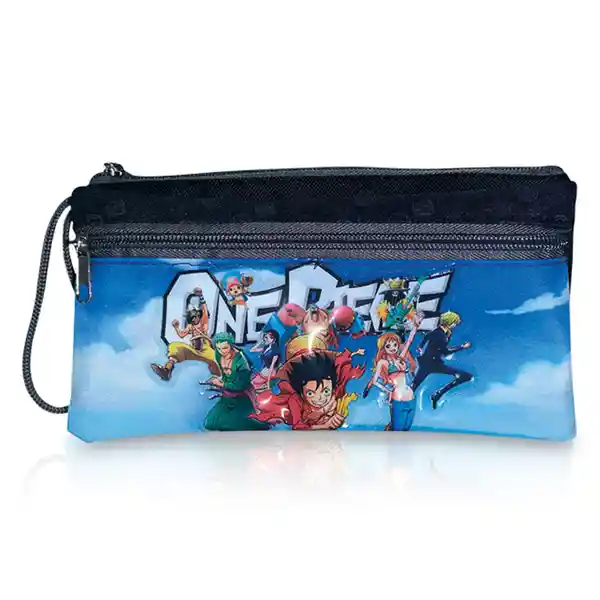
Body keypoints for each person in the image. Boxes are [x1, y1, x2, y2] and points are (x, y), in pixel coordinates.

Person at [250, 335, 366, 430]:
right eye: (310, 393)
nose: (320, 398)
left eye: (326, 391)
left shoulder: (336, 392)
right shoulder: (295, 401)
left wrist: (338, 419)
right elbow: (298, 426)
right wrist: (325, 426)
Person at [202, 332, 270, 431]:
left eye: (225, 348)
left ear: (231, 345)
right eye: (219, 348)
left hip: (242, 398)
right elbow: (224, 375)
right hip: (227, 397)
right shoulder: (218, 354)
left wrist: (221, 384)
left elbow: (240, 385)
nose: (222, 351)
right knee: (210, 423)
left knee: (232, 424)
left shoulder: (242, 362)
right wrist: (216, 379)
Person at [151, 288, 219, 380]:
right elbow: (182, 335)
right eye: (192, 318)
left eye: (195, 317)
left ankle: (224, 378)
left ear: (198, 315)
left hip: (206, 350)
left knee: (217, 362)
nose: (194, 319)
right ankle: (167, 371)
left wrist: (201, 297)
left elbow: (205, 311)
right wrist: (176, 327)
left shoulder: (203, 323)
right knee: (174, 346)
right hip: (193, 350)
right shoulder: (190, 326)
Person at [411, 311, 473, 409]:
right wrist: (462, 347)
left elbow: (427, 336)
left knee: (413, 386)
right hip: (430, 364)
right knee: (466, 376)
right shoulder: (441, 335)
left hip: (430, 363)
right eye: (455, 323)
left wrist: (421, 346)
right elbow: (446, 352)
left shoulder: (440, 332)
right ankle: (438, 394)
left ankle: (438, 394)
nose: (455, 325)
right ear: (449, 323)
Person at [365, 331, 418, 431]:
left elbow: (409, 342)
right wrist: (388, 389)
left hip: (411, 399)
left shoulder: (400, 358)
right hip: (398, 400)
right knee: (397, 431)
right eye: (388, 346)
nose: (392, 348)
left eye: (395, 345)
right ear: (383, 348)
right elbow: (375, 381)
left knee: (407, 430)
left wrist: (415, 327)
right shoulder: (383, 362)